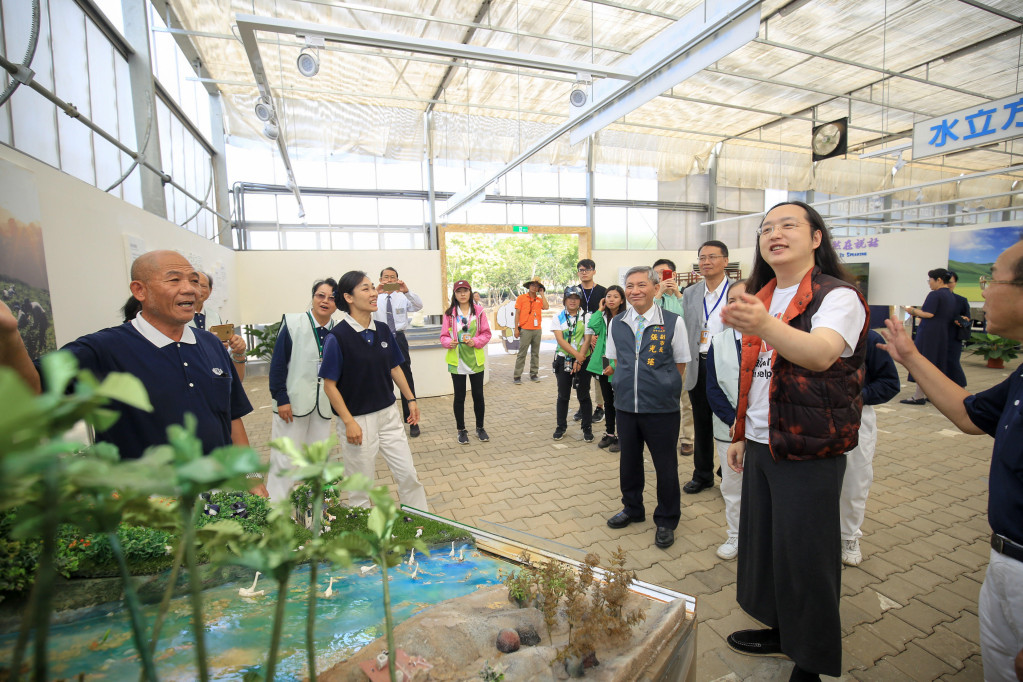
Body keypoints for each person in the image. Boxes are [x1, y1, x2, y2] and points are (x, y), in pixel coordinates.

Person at [722, 201, 869, 682]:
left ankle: (811, 660)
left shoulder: (837, 296)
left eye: (788, 225)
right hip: (764, 442)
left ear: (816, 238)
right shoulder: (765, 293)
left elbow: (822, 354)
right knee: (768, 548)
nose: (774, 234)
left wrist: (764, 323)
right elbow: (753, 374)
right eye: (766, 228)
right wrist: (742, 432)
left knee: (807, 558)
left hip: (809, 447)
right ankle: (784, 632)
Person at [0, 251, 266, 496]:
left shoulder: (210, 344)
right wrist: (11, 336)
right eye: (174, 280)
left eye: (194, 281)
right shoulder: (103, 349)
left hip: (221, 495)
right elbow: (31, 391)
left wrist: (253, 478)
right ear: (140, 290)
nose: (190, 289)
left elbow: (231, 418)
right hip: (145, 506)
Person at [879, 238, 1023, 682]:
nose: (984, 290)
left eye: (991, 280)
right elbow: (969, 414)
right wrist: (911, 357)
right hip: (1005, 561)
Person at [320, 270, 428, 511]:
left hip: (388, 415)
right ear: (348, 297)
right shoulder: (337, 337)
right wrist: (348, 422)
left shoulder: (381, 329)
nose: (373, 293)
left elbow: (394, 367)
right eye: (366, 289)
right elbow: (329, 386)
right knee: (360, 488)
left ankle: (422, 521)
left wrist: (410, 399)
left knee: (408, 475)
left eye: (372, 287)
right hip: (358, 419)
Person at [605, 266, 690, 550]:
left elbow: (680, 363)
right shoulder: (617, 323)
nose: (634, 291)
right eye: (629, 286)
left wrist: (664, 390)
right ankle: (632, 508)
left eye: (641, 285)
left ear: (655, 288)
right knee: (629, 462)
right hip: (626, 407)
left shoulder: (672, 321)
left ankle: (666, 519)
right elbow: (615, 361)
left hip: (661, 410)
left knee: (665, 465)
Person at [265, 278, 339, 502]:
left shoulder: (337, 330)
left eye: (332, 298)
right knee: (284, 459)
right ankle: (276, 509)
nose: (325, 301)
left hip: (323, 406)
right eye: (320, 295)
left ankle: (317, 509)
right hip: (292, 404)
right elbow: (278, 363)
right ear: (313, 297)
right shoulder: (293, 323)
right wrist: (281, 397)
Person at [838, 329, 900, 566]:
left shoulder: (869, 339)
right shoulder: (810, 331)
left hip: (856, 417)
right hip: (814, 417)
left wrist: (855, 396)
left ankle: (849, 536)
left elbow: (890, 383)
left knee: (855, 480)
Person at [681, 240, 732, 494]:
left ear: (725, 261)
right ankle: (702, 474)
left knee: (729, 420)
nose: (706, 262)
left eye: (712, 257)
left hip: (728, 366)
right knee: (701, 422)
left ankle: (729, 475)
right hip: (699, 364)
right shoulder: (690, 293)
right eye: (702, 258)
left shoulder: (739, 291)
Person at [704, 279, 747, 561]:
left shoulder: (776, 340)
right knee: (732, 485)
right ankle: (736, 535)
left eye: (745, 298)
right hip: (728, 428)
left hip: (764, 429)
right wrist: (733, 420)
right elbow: (713, 388)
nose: (737, 304)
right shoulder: (718, 342)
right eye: (732, 299)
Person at [439, 280, 492, 445]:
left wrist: (475, 341)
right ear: (454, 294)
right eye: (459, 291)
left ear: (470, 292)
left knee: (478, 396)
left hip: (475, 360)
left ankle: (480, 428)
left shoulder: (479, 312)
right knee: (459, 397)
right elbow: (443, 336)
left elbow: (487, 334)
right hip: (457, 361)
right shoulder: (449, 314)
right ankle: (461, 430)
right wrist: (449, 343)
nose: (462, 294)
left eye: (465, 291)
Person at [373, 267, 424, 437]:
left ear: (397, 280)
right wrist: (375, 291)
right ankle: (382, 424)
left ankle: (412, 421)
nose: (389, 280)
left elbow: (418, 306)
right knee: (379, 380)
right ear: (380, 279)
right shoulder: (374, 297)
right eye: (386, 277)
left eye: (392, 277)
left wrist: (407, 291)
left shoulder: (402, 296)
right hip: (379, 339)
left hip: (399, 339)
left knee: (406, 379)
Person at [653, 258, 695, 457]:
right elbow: (648, 318)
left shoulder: (686, 296)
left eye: (665, 272)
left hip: (683, 356)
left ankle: (688, 439)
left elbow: (692, 319)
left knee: (686, 400)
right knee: (662, 398)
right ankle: (662, 437)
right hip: (659, 357)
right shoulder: (652, 297)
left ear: (674, 274)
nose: (662, 277)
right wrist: (658, 292)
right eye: (658, 273)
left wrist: (677, 293)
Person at [901, 267, 956, 404]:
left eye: (930, 280)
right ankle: (932, 394)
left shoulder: (935, 295)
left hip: (930, 333)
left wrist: (911, 310)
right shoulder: (949, 295)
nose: (929, 283)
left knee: (923, 362)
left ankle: (918, 396)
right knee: (935, 363)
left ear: (938, 280)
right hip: (942, 333)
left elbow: (928, 314)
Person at [585, 284, 625, 453]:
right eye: (608, 296)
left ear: (622, 300)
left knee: (621, 402)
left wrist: (615, 365)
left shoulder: (626, 318)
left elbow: (626, 345)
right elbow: (593, 326)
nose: (611, 300)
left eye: (615, 296)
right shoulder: (602, 317)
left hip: (620, 363)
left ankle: (622, 436)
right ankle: (609, 433)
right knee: (608, 401)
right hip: (604, 361)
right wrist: (600, 309)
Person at [187, 270, 248, 380]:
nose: (199, 289)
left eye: (204, 286)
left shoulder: (214, 315)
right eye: (195, 284)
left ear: (210, 290)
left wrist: (234, 347)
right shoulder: (178, 317)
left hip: (215, 371)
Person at [552, 286, 593, 442]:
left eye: (576, 298)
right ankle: (561, 427)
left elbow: (587, 339)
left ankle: (587, 428)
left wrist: (580, 359)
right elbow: (560, 340)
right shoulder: (558, 317)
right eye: (570, 298)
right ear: (565, 300)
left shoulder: (587, 317)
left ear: (580, 300)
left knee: (584, 395)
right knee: (563, 396)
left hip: (583, 360)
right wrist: (577, 356)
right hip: (564, 360)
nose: (573, 301)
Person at [574, 259, 607, 424]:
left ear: (594, 271)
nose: (584, 272)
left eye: (587, 269)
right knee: (581, 373)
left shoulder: (603, 291)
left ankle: (600, 407)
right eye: (581, 270)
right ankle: (583, 404)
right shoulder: (574, 291)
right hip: (579, 339)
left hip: (597, 340)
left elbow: (607, 315)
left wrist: (595, 335)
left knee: (598, 374)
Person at [513, 280, 548, 383]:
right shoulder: (521, 298)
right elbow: (517, 314)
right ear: (529, 286)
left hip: (537, 330)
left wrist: (542, 294)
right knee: (522, 353)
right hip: (525, 329)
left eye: (537, 286)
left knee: (535, 353)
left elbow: (546, 307)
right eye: (532, 285)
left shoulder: (539, 299)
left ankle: (534, 374)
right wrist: (516, 328)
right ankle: (517, 376)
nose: (534, 287)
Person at [947, 270, 970, 387]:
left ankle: (960, 386)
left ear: (955, 283)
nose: (948, 284)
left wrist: (963, 319)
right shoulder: (936, 297)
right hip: (938, 335)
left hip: (954, 335)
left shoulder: (961, 300)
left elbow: (967, 319)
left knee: (952, 361)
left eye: (950, 282)